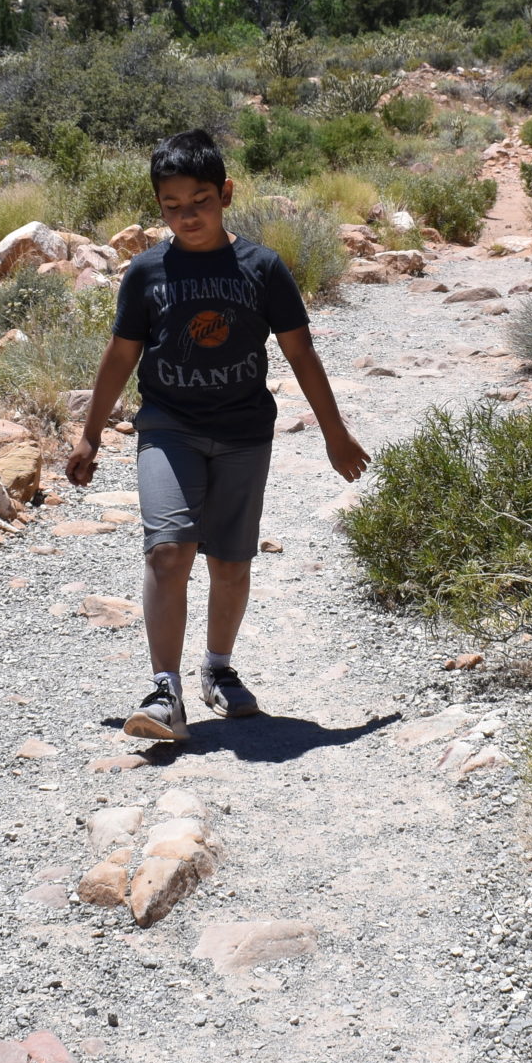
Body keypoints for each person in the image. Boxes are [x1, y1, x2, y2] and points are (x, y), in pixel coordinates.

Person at [65, 128, 370, 741]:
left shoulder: (262, 267)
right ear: (158, 208)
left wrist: (334, 433)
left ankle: (219, 670)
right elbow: (121, 355)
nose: (188, 216)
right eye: (172, 206)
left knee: (231, 563)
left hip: (243, 434)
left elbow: (301, 352)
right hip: (167, 428)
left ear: (226, 194)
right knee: (168, 550)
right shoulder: (147, 272)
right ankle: (165, 691)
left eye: (200, 201)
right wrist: (90, 434)